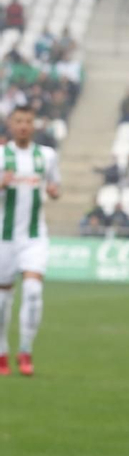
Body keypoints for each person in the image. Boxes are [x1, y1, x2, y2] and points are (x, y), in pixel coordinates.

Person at [0, 105, 63, 377]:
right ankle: (2, 352)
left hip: (35, 237)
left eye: (28, 121)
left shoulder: (46, 156)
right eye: (18, 121)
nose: (23, 126)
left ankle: (25, 350)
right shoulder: (1, 156)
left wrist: (54, 191)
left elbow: (55, 186)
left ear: (34, 124)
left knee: (34, 292)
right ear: (10, 125)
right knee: (2, 300)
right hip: (4, 238)